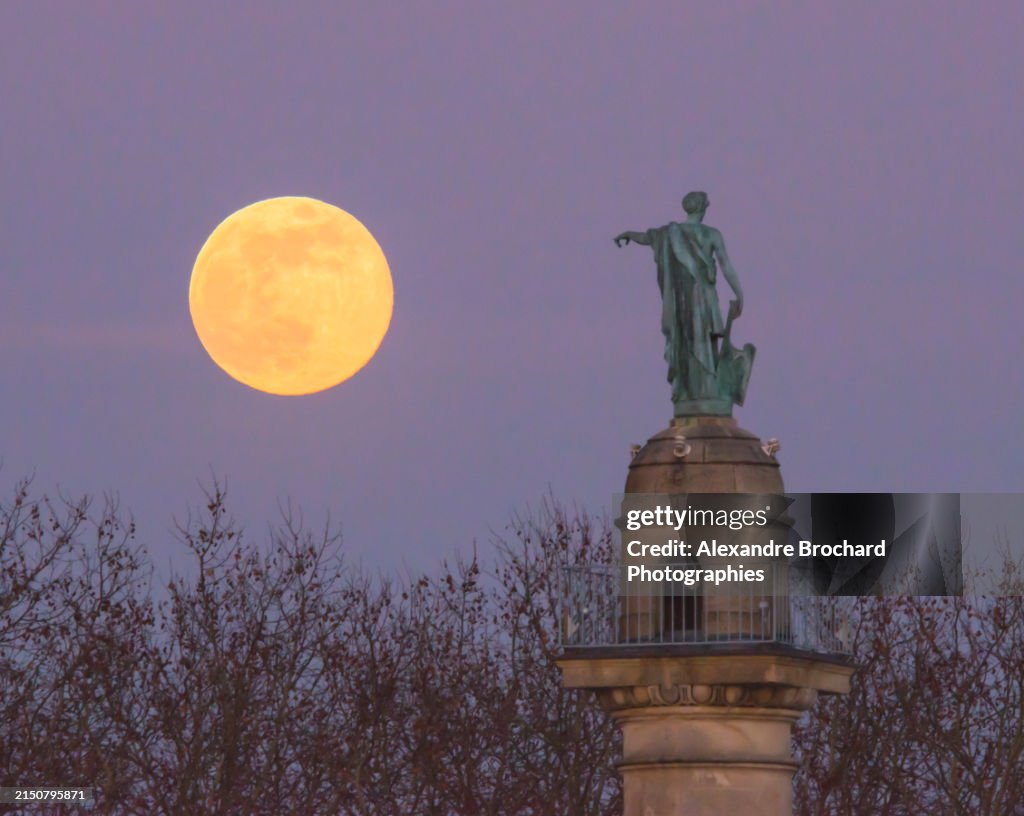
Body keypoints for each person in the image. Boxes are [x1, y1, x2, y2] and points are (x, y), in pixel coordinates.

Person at [615, 191, 753, 415]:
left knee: (686, 340)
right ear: (704, 207)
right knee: (704, 340)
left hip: (682, 297)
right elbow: (726, 265)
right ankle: (703, 390)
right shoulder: (710, 234)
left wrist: (629, 234)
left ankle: (696, 390)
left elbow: (647, 237)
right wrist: (739, 293)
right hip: (703, 293)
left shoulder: (669, 233)